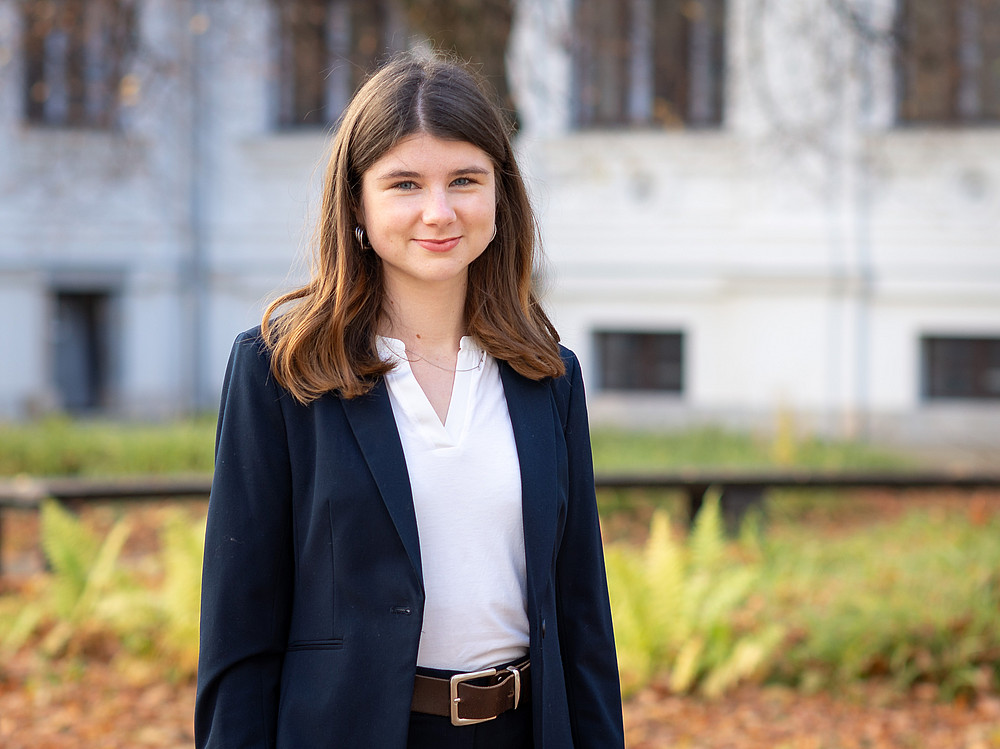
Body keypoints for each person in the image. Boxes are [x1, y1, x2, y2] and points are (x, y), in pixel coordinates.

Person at [195, 52, 624, 749]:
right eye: (404, 183)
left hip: (524, 730)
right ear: (357, 202)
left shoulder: (547, 374)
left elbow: (583, 623)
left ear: (499, 196)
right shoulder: (281, 371)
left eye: (465, 180)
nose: (439, 210)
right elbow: (238, 637)